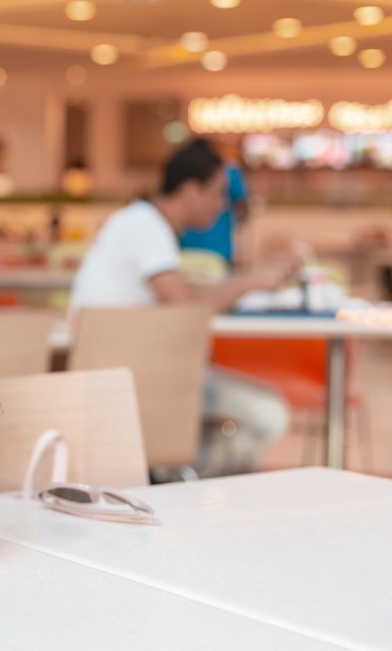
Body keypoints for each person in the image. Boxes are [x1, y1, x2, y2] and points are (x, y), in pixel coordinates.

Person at [70, 137, 302, 478]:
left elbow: (179, 297)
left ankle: (176, 480)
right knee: (269, 414)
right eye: (219, 193)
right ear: (192, 190)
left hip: (129, 374)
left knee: (251, 414)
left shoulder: (140, 222)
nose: (223, 205)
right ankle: (178, 483)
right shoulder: (146, 226)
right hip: (136, 381)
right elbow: (186, 307)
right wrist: (252, 280)